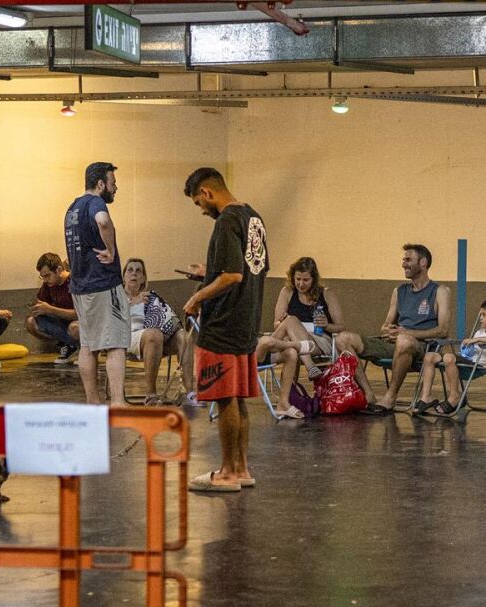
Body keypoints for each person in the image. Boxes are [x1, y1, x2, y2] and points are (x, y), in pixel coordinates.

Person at [181, 166, 268, 492]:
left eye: (198, 203)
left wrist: (197, 297)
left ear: (207, 192)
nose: (201, 210)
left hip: (223, 324)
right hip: (247, 321)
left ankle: (227, 472)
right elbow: (247, 267)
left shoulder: (227, 220)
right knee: (238, 399)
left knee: (224, 398)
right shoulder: (253, 218)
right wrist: (208, 272)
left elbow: (233, 276)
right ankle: (241, 468)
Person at [253, 257, 366, 419]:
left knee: (289, 329)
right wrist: (282, 321)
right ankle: (308, 369)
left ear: (314, 279)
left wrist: (326, 325)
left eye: (306, 280)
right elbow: (277, 324)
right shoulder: (287, 292)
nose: (301, 284)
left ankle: (276, 355)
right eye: (298, 279)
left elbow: (341, 327)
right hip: (291, 340)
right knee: (291, 323)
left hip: (318, 339)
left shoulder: (326, 293)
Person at [357, 244, 453, 415]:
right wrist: (388, 330)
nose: (403, 264)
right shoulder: (399, 291)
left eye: (408, 260)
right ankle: (368, 395)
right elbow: (386, 325)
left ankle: (390, 397)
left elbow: (443, 330)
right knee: (344, 339)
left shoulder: (440, 291)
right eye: (403, 260)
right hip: (396, 344)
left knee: (404, 341)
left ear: (423, 262)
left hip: (422, 348)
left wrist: (406, 333)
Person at [64, 162, 131, 405]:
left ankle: (93, 403)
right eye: (113, 183)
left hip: (79, 285)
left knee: (88, 345)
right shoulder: (96, 203)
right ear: (101, 184)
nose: (115, 188)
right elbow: (103, 221)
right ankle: (118, 402)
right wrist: (110, 249)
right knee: (116, 344)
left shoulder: (72, 208)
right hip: (102, 284)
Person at [413, 297, 486, 418]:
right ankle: (426, 397)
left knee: (449, 358)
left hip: (479, 366)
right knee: (429, 356)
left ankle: (455, 396)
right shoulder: (480, 332)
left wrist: (477, 340)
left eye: (484, 315)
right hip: (468, 360)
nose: (480, 318)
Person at [122, 258, 198, 406]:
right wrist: (132, 302)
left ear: (143, 278)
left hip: (156, 340)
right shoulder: (116, 296)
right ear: (124, 276)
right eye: (130, 270)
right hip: (127, 338)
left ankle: (189, 393)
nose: (134, 273)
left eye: (138, 271)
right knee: (154, 334)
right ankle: (151, 394)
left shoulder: (150, 297)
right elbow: (109, 318)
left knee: (184, 336)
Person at [25, 252, 81, 365]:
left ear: (59, 270)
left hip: (81, 321)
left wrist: (50, 309)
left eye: (47, 275)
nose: (45, 280)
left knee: (74, 327)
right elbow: (41, 302)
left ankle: (88, 348)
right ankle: (69, 344)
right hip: (63, 321)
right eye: (42, 276)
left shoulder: (74, 282)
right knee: (31, 322)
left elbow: (80, 314)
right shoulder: (49, 284)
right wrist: (37, 308)